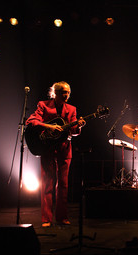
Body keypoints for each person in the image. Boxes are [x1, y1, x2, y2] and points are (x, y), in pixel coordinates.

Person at [26, 81, 86, 227]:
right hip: (46, 148)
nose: (66, 95)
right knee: (47, 183)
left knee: (63, 184)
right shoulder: (44, 105)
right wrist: (49, 126)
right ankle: (46, 218)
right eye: (62, 92)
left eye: (68, 92)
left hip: (65, 149)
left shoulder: (71, 109)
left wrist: (79, 126)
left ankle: (62, 217)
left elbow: (73, 131)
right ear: (55, 93)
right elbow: (31, 121)